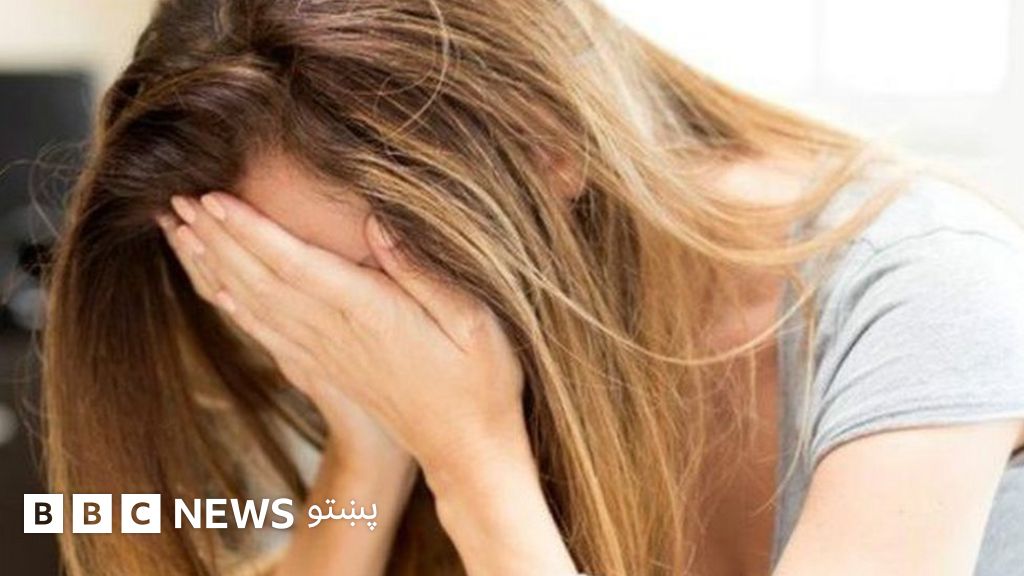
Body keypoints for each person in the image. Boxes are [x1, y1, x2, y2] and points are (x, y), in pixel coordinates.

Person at [41, 1, 1024, 575]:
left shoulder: (927, 287)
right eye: (279, 291)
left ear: (545, 144)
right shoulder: (462, 350)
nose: (353, 328)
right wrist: (371, 443)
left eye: (353, 283)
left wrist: (472, 459)